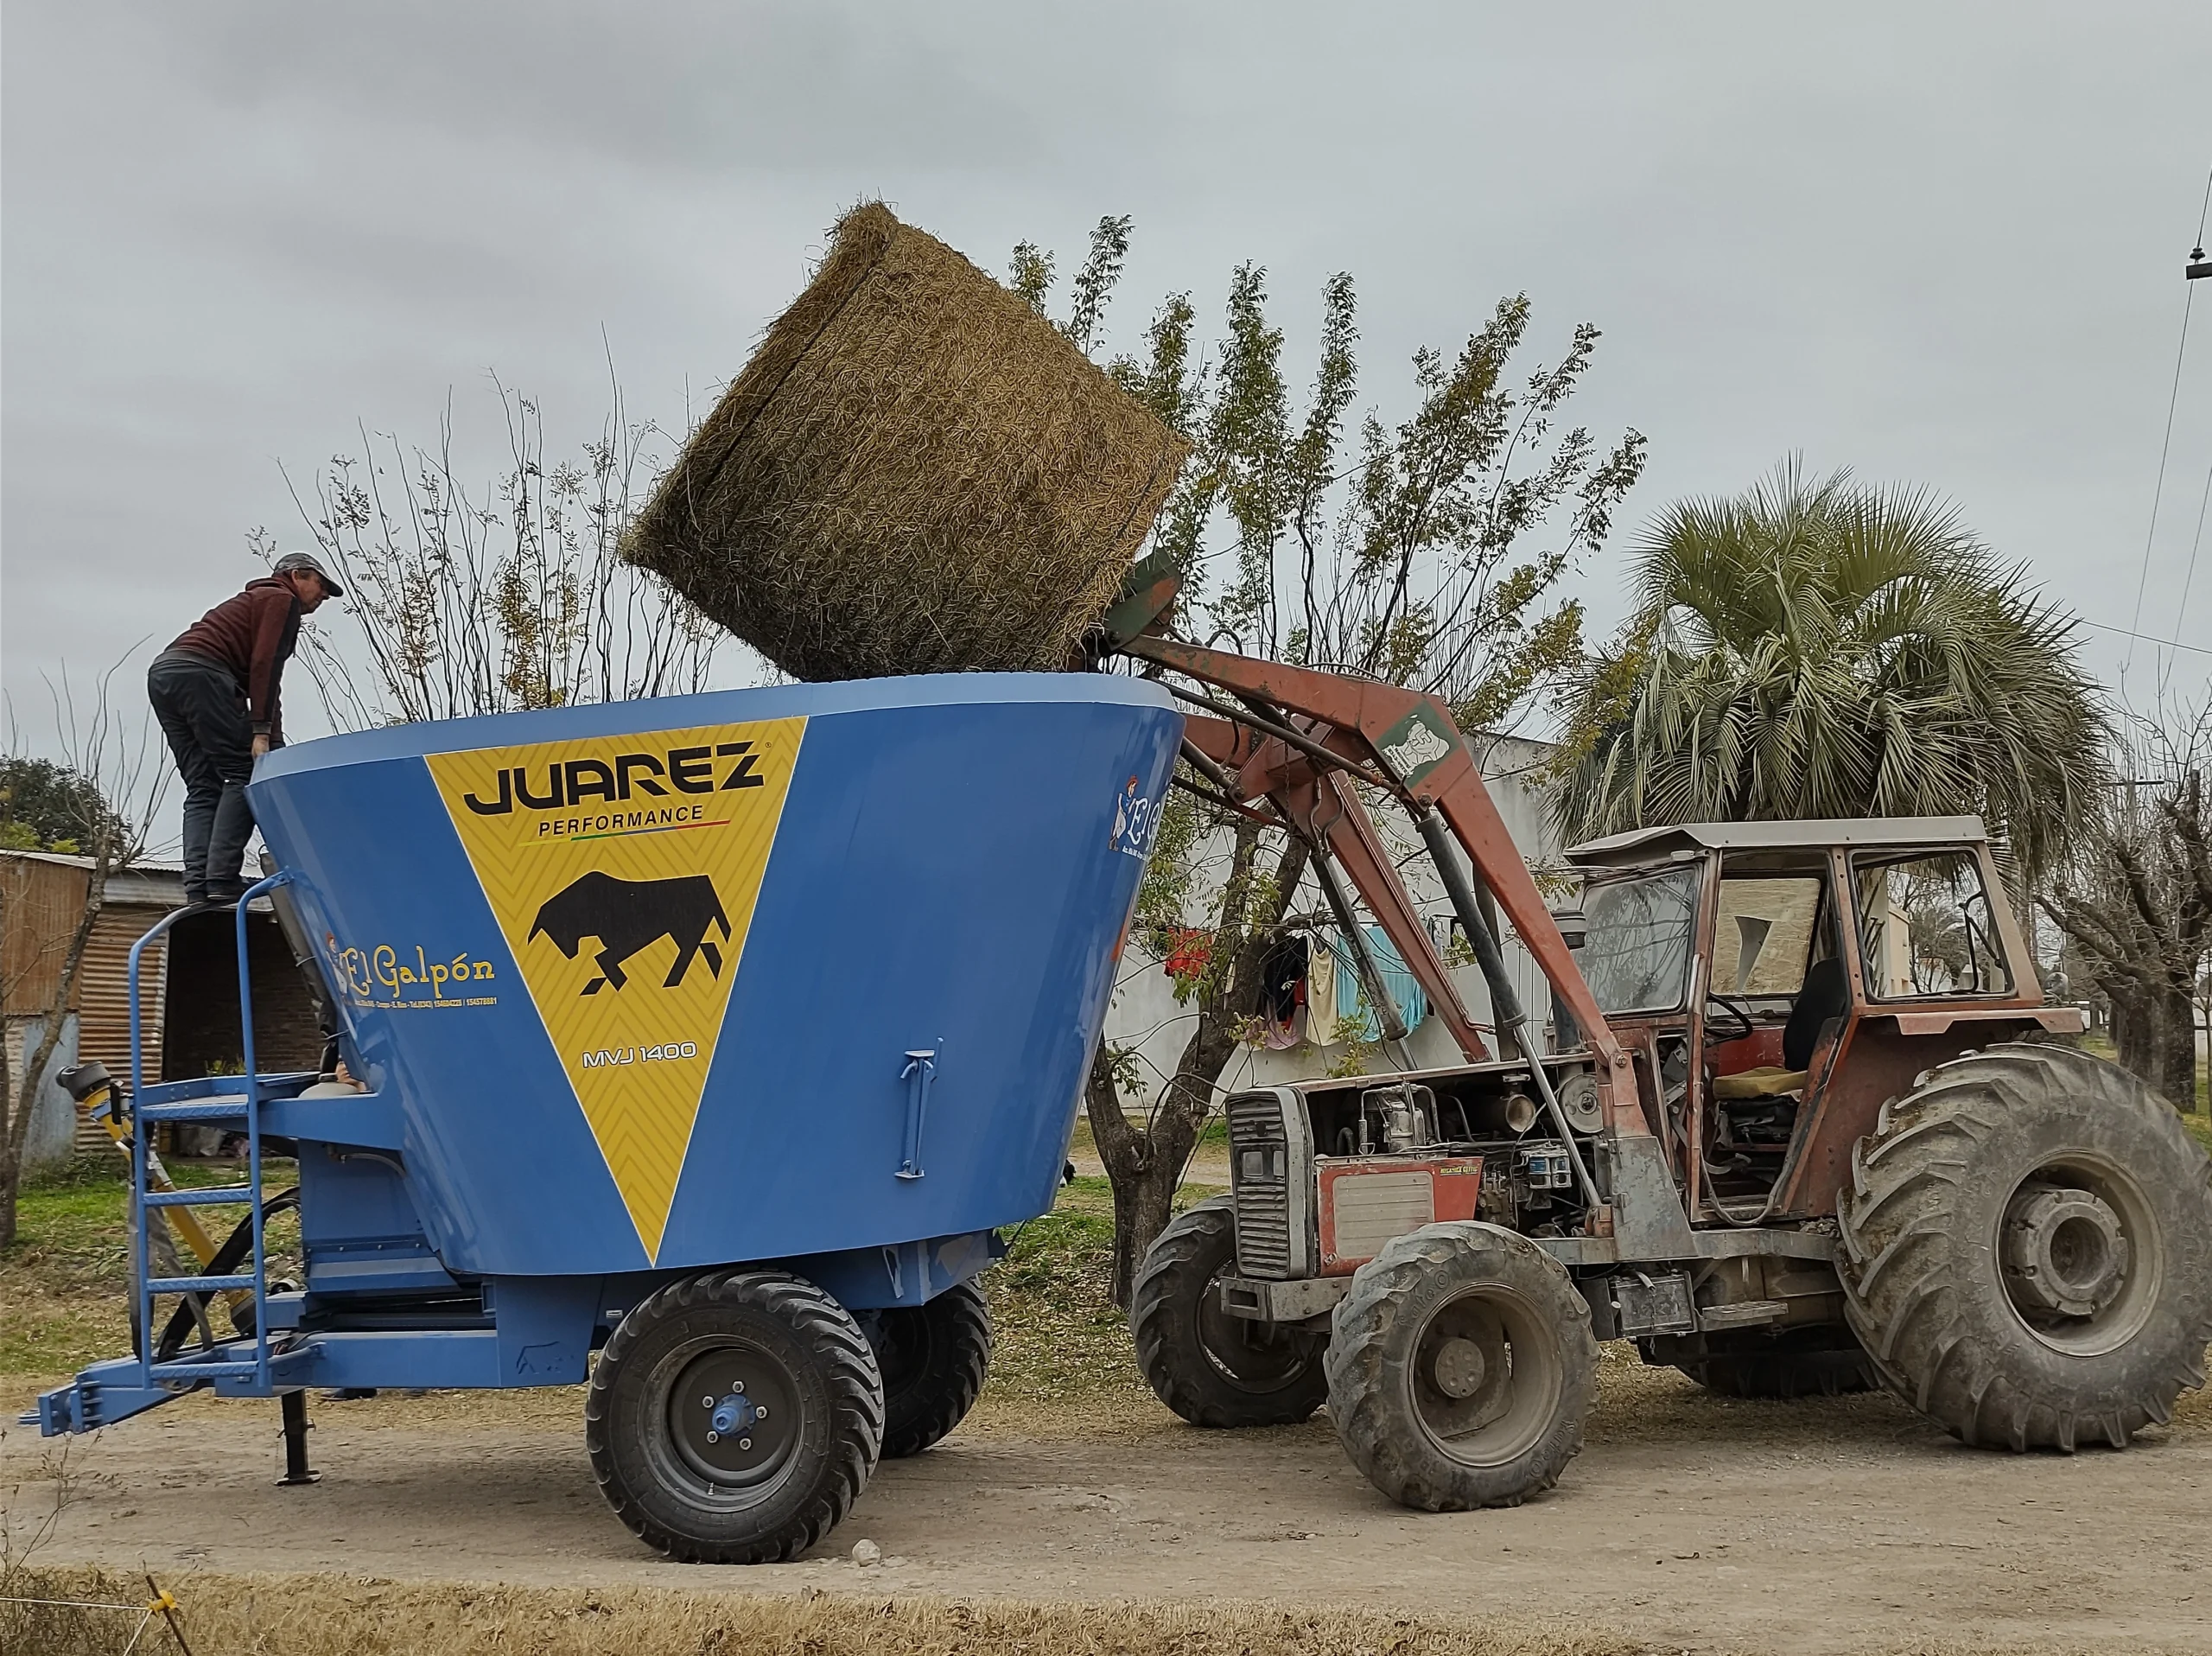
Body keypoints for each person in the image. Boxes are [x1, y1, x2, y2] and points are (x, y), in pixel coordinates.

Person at [147, 552, 341, 905]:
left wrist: (272, 739)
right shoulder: (281, 599)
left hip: (165, 674)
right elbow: (264, 667)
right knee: (244, 772)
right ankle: (221, 879)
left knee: (203, 785)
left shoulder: (255, 600)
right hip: (203, 673)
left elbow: (264, 677)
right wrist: (263, 734)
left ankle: (198, 887)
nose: (324, 595)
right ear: (297, 575)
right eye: (321, 585)